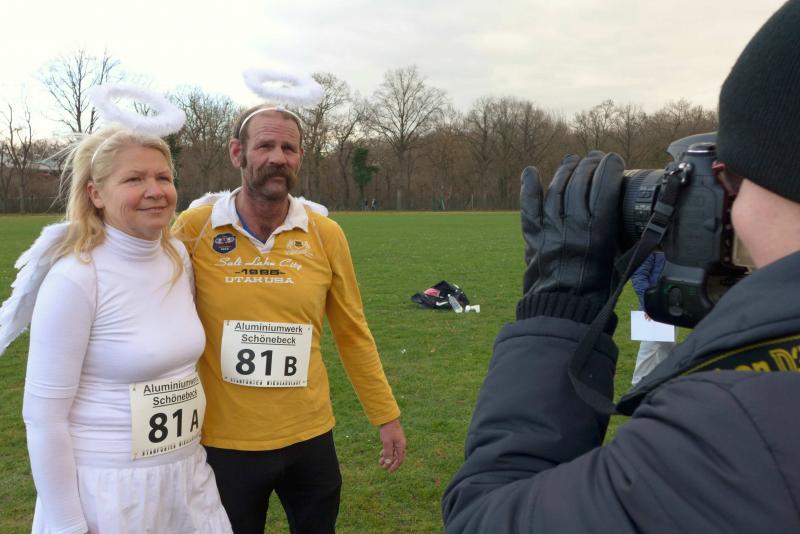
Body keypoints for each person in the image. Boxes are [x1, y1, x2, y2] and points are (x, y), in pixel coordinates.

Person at [442, 1, 800, 531]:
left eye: (727, 178)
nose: (731, 208)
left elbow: (483, 518)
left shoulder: (737, 424)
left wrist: (558, 303)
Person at [174, 105, 406, 534]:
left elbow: (353, 332)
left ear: (300, 157)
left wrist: (386, 415)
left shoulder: (325, 234)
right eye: (265, 145)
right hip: (225, 444)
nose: (278, 158)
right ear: (237, 152)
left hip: (309, 439)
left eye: (289, 148)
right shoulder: (195, 228)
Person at [18, 128, 231, 533]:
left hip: (187, 481)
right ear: (95, 194)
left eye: (163, 177)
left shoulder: (176, 256)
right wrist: (68, 524)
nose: (155, 191)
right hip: (110, 495)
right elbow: (43, 418)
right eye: (134, 179)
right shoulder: (76, 278)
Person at [630, 252, 675, 385]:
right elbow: (639, 277)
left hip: (671, 306)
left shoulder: (678, 247)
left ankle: (662, 381)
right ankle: (638, 384)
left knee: (667, 346)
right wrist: (649, 304)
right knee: (649, 348)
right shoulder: (653, 248)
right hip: (653, 308)